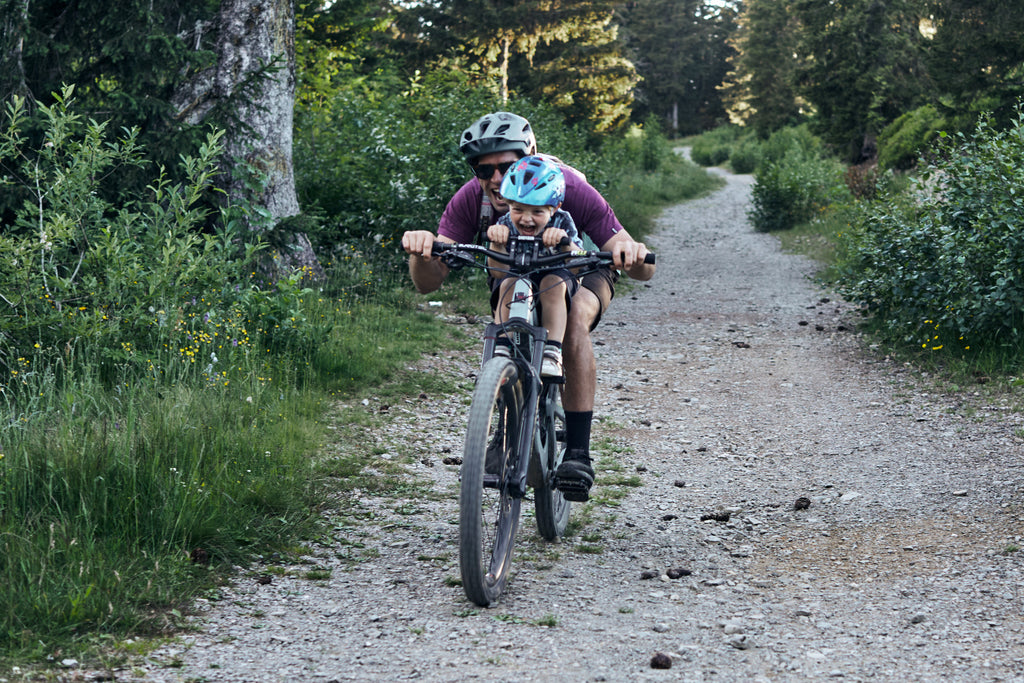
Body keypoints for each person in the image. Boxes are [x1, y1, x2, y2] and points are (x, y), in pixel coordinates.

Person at [401, 111, 655, 502]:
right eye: (483, 169)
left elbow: (642, 271)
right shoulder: (472, 198)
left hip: (578, 267)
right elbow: (427, 282)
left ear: (531, 153)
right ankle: (505, 422)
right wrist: (422, 252)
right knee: (508, 301)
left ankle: (578, 454)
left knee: (573, 325)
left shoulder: (568, 186)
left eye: (506, 165)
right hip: (516, 268)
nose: (495, 179)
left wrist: (629, 251)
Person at [485, 155, 583, 379]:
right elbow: (497, 271)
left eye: (537, 212)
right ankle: (502, 344)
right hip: (517, 275)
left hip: (553, 277)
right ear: (508, 203)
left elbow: (578, 264)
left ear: (554, 207)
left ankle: (551, 351)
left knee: (553, 283)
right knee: (508, 281)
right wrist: (496, 244)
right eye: (518, 209)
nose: (526, 219)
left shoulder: (563, 221)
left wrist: (565, 243)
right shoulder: (504, 224)